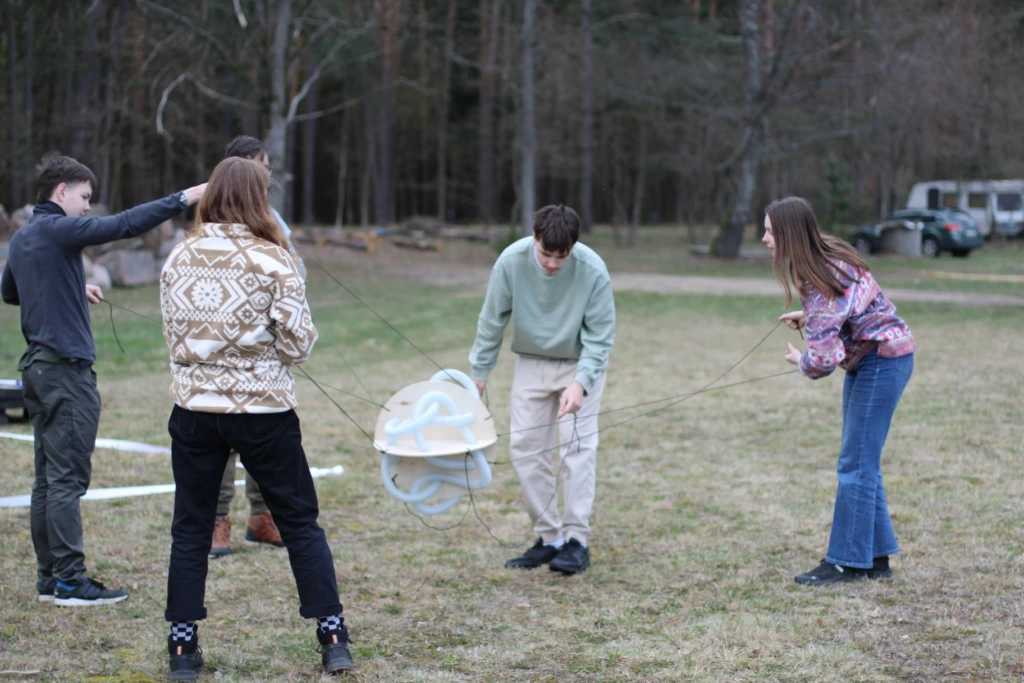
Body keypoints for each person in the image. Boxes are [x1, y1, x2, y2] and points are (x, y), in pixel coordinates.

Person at [159, 157, 353, 679]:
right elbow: (298, 343)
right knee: (299, 522)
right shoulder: (274, 259)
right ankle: (332, 636)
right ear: (257, 199)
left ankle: (182, 648)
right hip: (262, 411)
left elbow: (174, 337)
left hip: (195, 409)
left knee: (191, 529)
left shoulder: (180, 256)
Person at [1, 152, 205, 607]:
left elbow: (11, 291)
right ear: (61, 192)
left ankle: (50, 579)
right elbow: (124, 225)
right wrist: (183, 198)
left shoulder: (25, 236)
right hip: (64, 372)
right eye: (84, 197)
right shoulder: (59, 228)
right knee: (67, 481)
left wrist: (71, 285)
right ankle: (72, 582)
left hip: (36, 369)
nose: (88, 207)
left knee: (47, 481)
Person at [762, 196, 915, 586]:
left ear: (789, 235)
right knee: (863, 462)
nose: (764, 238)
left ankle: (847, 562)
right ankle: (875, 558)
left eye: (769, 231)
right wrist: (809, 316)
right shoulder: (826, 258)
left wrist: (800, 360)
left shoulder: (816, 278)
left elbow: (824, 360)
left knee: (855, 465)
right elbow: (845, 306)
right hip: (876, 357)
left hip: (882, 359)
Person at [469, 205, 615, 575]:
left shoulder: (593, 269)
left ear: (573, 248)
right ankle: (550, 538)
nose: (551, 263)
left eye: (560, 256)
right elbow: (492, 318)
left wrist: (580, 383)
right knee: (525, 448)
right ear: (534, 239)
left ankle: (576, 541)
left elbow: (600, 337)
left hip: (579, 363)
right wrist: (480, 371)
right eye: (545, 254)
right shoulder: (511, 262)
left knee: (576, 448)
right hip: (532, 362)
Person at [208, 135, 307, 558]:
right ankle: (216, 522)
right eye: (263, 166)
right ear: (246, 167)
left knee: (266, 442)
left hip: (266, 360)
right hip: (224, 357)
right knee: (223, 443)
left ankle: (263, 517)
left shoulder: (272, 217)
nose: (268, 175)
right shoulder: (214, 220)